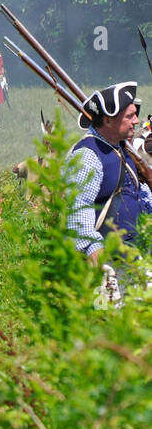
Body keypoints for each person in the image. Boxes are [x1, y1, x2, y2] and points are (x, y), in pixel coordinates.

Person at [66, 82, 152, 304]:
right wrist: (92, 249)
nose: (136, 121)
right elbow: (78, 207)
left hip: (135, 256)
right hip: (106, 263)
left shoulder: (120, 148)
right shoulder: (87, 155)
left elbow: (137, 194)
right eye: (130, 116)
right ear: (108, 119)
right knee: (109, 329)